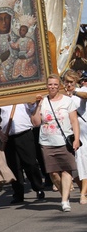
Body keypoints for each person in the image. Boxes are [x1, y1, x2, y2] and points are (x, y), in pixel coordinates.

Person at [30, 74, 80, 211]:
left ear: (59, 86)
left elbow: (74, 121)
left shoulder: (67, 101)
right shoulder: (43, 101)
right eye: (50, 84)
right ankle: (65, 193)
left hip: (64, 140)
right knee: (53, 173)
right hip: (47, 141)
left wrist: (76, 139)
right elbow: (35, 122)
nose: (52, 87)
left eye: (55, 84)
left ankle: (64, 201)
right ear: (47, 85)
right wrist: (37, 106)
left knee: (66, 169)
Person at [0, 104, 46, 203]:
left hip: (24, 133)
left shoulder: (22, 99)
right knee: (14, 167)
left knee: (31, 163)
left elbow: (32, 108)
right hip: (8, 136)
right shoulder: (0, 101)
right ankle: (18, 194)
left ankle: (38, 188)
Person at [66, 70, 87, 204]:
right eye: (66, 82)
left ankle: (83, 194)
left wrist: (73, 92)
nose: (68, 84)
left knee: (83, 162)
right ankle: (83, 190)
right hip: (70, 133)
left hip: (84, 132)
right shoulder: (62, 96)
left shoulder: (81, 90)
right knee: (75, 165)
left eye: (71, 82)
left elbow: (85, 95)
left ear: (76, 81)